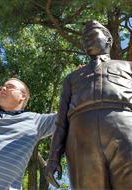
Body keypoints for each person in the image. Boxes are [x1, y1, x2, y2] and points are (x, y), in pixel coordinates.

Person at [45, 20, 132, 189]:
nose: (87, 40)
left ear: (108, 40)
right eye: (84, 38)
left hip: (126, 132)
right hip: (81, 140)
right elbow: (61, 122)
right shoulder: (71, 78)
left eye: (92, 35)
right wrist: (54, 156)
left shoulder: (129, 67)